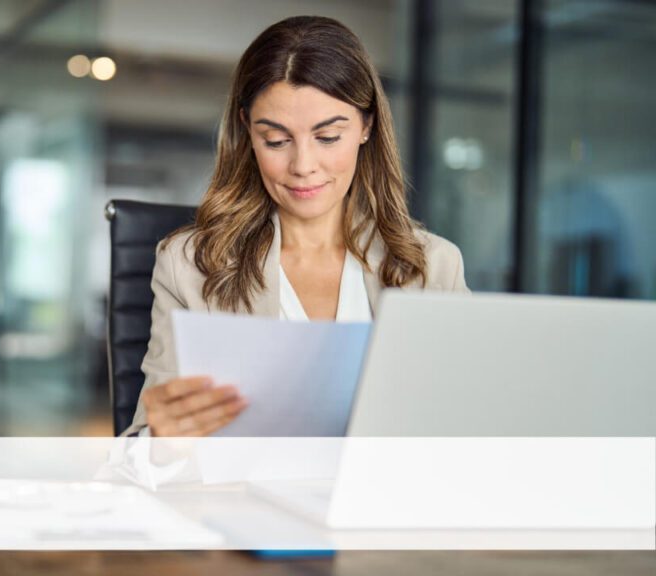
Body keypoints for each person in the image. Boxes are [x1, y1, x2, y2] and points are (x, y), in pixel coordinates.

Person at [123, 16, 470, 438]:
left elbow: (465, 430)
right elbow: (141, 446)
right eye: (276, 140)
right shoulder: (189, 266)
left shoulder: (434, 267)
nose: (303, 166)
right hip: (242, 501)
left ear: (367, 126)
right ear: (247, 131)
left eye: (327, 138)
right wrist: (162, 441)